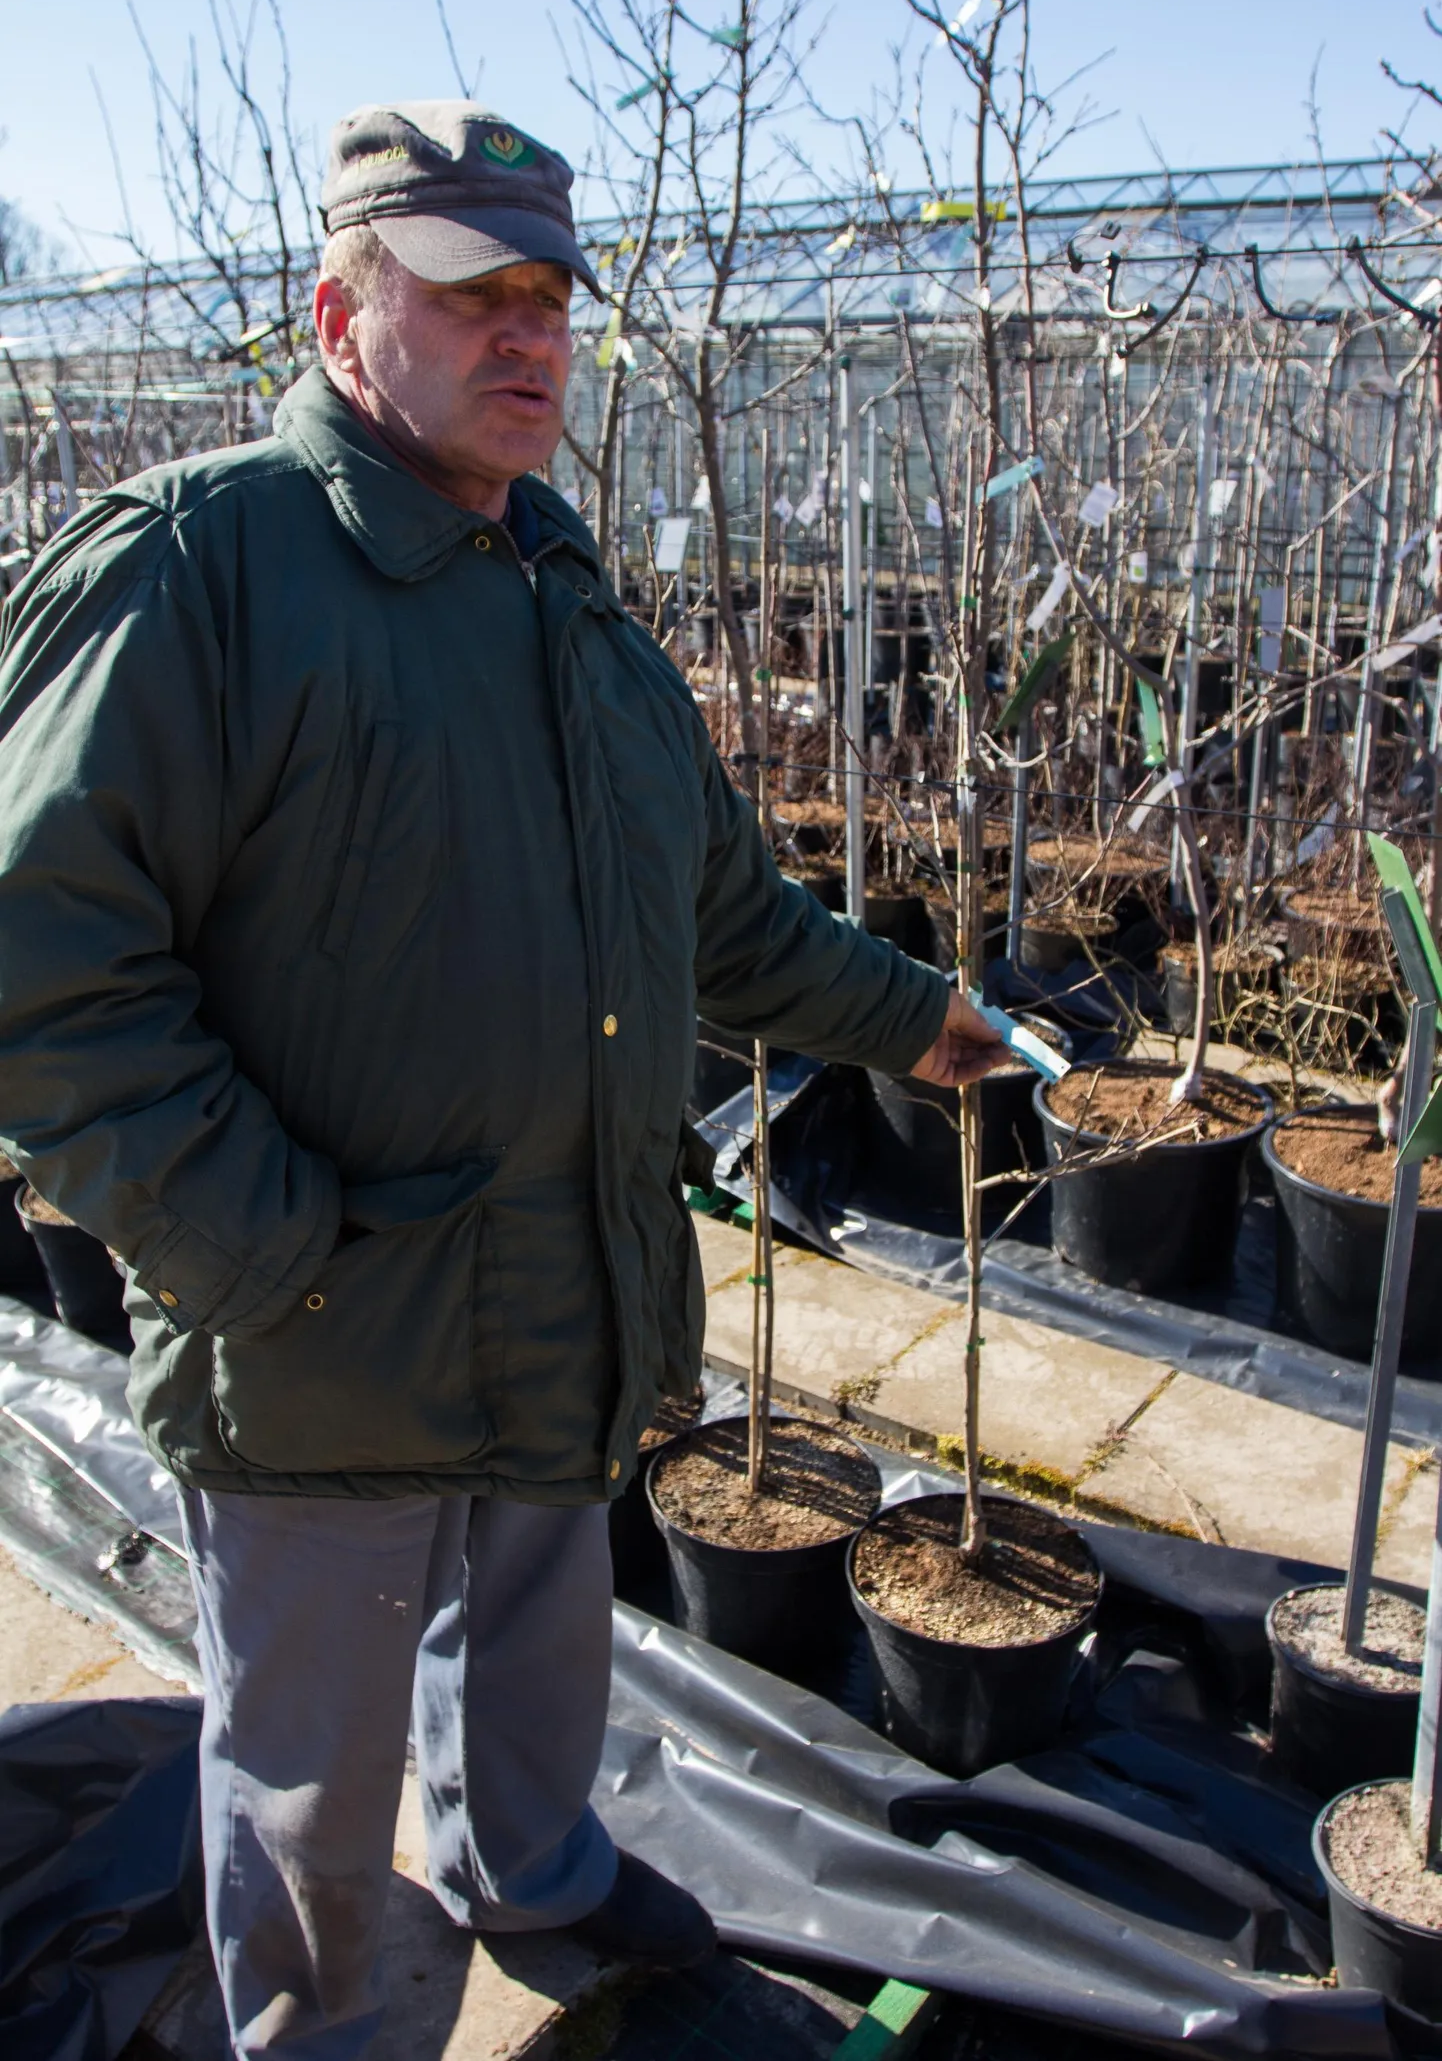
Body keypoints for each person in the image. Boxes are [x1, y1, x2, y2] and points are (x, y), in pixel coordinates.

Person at [0, 100, 1007, 2058]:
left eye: (548, 296)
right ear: (337, 314)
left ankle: (532, 1866)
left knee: (541, 1641)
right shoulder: (207, 571)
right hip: (328, 1327)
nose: (528, 338)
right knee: (311, 1784)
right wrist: (265, 1247)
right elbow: (39, 953)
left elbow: (718, 906)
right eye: (472, 297)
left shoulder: (565, 596)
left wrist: (911, 1015)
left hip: (567, 1285)